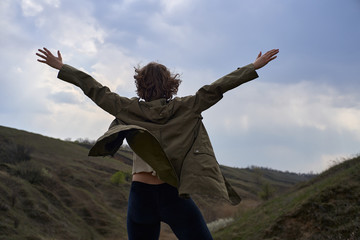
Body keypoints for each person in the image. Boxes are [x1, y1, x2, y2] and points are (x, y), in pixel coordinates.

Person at [36, 47, 279, 240]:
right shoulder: (187, 106)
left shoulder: (127, 108)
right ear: (171, 84)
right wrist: (252, 67)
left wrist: (62, 67)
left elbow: (95, 89)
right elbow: (217, 87)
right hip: (172, 194)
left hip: (140, 195)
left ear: (140, 85)